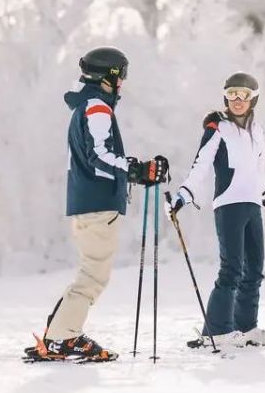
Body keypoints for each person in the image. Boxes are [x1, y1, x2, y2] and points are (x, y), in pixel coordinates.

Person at [25, 47, 166, 362]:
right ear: (111, 76)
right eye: (123, 75)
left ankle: (59, 333)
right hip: (97, 204)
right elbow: (98, 155)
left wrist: (138, 172)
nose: (124, 83)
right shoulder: (97, 108)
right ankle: (63, 338)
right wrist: (137, 170)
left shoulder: (87, 107)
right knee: (93, 276)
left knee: (90, 273)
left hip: (89, 202)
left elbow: (94, 157)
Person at [169, 72, 265, 348]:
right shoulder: (218, 126)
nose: (237, 100)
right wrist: (184, 194)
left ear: (253, 98)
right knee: (232, 269)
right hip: (229, 204)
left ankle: (245, 327)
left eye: (242, 94)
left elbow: (259, 167)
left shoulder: (258, 129)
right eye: (231, 94)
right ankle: (217, 331)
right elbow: (201, 164)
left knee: (254, 269)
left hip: (252, 203)